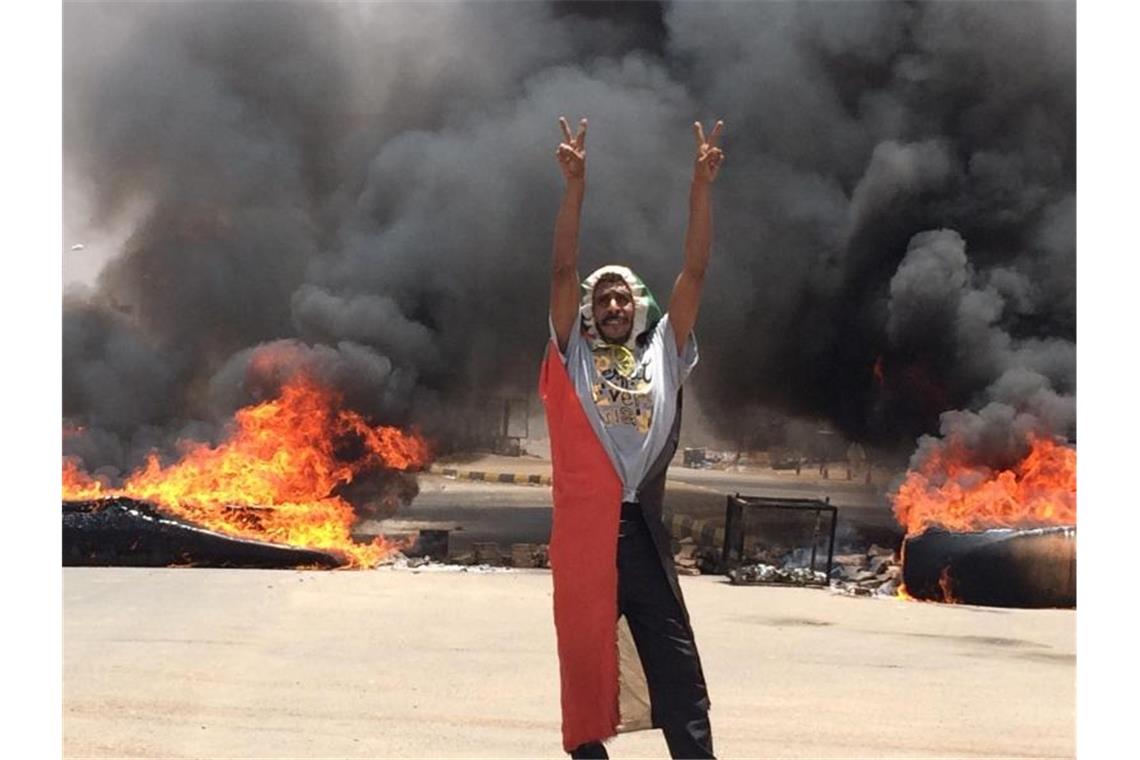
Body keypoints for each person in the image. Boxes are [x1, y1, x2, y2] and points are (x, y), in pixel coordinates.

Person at [539, 115, 724, 759]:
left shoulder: (663, 353)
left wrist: (700, 189)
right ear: (592, 313)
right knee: (586, 672)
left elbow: (694, 274)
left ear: (639, 307)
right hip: (583, 538)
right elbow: (564, 271)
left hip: (641, 533)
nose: (613, 306)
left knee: (677, 670)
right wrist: (575, 187)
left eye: (623, 299)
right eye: (604, 300)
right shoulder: (575, 357)